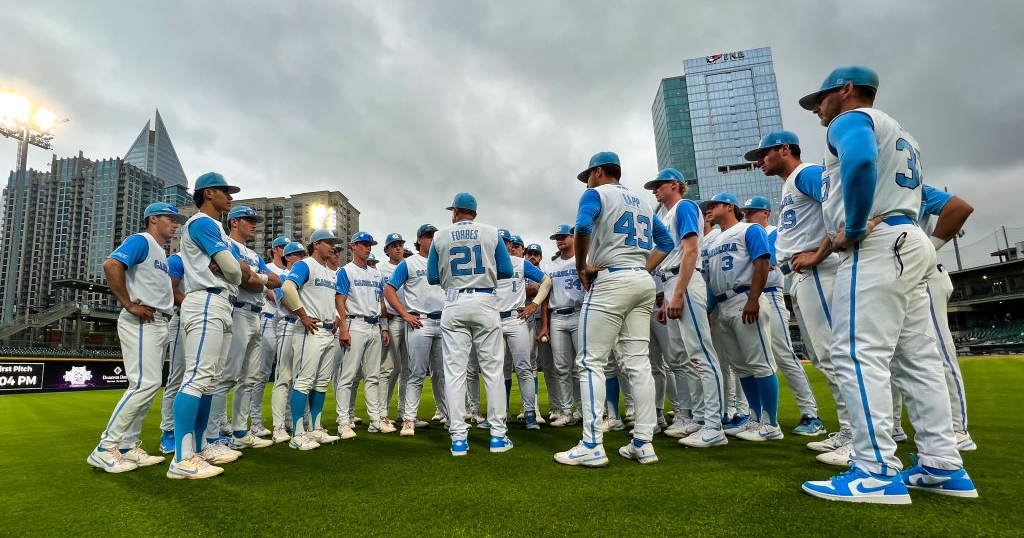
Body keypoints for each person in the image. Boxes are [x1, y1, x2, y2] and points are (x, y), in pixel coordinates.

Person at [798, 66, 976, 503]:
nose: (818, 109)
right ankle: (943, 464)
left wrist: (855, 225)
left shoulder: (850, 120)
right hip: (909, 237)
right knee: (917, 360)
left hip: (878, 242)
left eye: (821, 99)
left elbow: (858, 160)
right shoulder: (902, 132)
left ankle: (875, 471)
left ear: (845, 90)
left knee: (857, 353)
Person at [553, 151, 673, 467]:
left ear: (601, 171)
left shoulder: (596, 193)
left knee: (591, 361)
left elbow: (581, 227)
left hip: (611, 279)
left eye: (588, 174)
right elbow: (666, 242)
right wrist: (642, 268)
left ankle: (592, 444)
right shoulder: (644, 202)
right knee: (638, 363)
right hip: (640, 280)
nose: (586, 181)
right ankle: (644, 444)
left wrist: (581, 266)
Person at [745, 131, 853, 464]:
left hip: (820, 271)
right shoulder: (790, 182)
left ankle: (859, 437)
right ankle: (850, 431)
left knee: (833, 355)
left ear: (785, 149)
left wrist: (820, 253)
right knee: (823, 356)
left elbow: (842, 207)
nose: (760, 161)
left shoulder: (805, 173)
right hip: (803, 275)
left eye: (764, 154)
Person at [169, 172, 261, 479]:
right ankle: (182, 458)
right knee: (197, 377)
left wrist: (230, 268)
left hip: (222, 302)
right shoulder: (202, 222)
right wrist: (230, 269)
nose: (230, 196)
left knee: (209, 380)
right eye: (225, 191)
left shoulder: (218, 230)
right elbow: (236, 272)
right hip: (205, 299)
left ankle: (201, 446)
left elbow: (242, 270)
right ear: (208, 193)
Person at [88, 202, 186, 473]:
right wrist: (129, 304)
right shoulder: (141, 240)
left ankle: (128, 446)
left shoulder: (162, 253)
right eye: (170, 218)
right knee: (145, 383)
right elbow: (111, 264)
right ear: (152, 218)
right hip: (141, 319)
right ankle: (105, 448)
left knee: (149, 385)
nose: (175, 223)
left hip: (159, 321)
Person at [644, 168, 727, 448]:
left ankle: (714, 425)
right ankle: (700, 419)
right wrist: (666, 299)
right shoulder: (667, 215)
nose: (655, 189)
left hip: (685, 281)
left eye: (659, 185)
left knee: (701, 354)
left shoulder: (685, 207)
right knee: (685, 356)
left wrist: (678, 294)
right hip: (671, 283)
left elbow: (691, 250)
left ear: (674, 185)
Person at [427, 192, 515, 455]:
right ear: (474, 213)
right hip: (485, 300)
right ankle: (498, 437)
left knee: (455, 374)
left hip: (454, 302)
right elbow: (508, 271)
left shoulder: (440, 235)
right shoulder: (491, 232)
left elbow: (432, 277)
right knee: (492, 371)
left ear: (456, 212)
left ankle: (458, 439)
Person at [740, 195, 824, 437]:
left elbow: (777, 264)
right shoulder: (746, 235)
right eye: (745, 212)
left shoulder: (775, 233)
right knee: (754, 360)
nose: (747, 215)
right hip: (748, 299)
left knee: (784, 355)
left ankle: (811, 414)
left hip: (771, 296)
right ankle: (759, 416)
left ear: (766, 212)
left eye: (752, 211)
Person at [703, 193, 782, 443]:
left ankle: (771, 424)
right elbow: (712, 279)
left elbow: (762, 262)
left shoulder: (749, 229)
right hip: (723, 302)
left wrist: (753, 298)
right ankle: (755, 418)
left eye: (714, 205)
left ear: (729, 207)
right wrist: (708, 308)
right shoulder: (714, 240)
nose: (710, 209)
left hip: (744, 296)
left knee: (760, 363)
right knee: (740, 366)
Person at [210, 206, 280, 451]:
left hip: (256, 315)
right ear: (234, 222)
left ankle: (240, 431)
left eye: (255, 220)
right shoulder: (226, 244)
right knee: (227, 376)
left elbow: (276, 281)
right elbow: (242, 280)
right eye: (249, 220)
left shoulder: (252, 253)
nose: (254, 224)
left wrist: (254, 276)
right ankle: (216, 433)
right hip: (236, 310)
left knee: (249, 378)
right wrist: (255, 278)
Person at [280, 229, 345, 450]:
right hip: (311, 330)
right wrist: (303, 315)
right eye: (328, 243)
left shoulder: (329, 271)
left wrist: (336, 316)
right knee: (304, 381)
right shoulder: (305, 264)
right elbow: (287, 287)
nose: (333, 247)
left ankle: (315, 428)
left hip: (328, 330)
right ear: (316, 244)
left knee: (320, 383)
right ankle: (298, 434)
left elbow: (327, 298)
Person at [385, 224, 449, 436]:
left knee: (442, 374)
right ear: (419, 239)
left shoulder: (443, 262)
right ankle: (408, 420)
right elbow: (389, 289)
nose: (431, 239)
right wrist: (404, 314)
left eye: (434, 236)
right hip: (419, 321)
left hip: (443, 322)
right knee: (417, 373)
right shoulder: (408, 263)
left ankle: (448, 415)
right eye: (427, 236)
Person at [335, 232, 392, 437]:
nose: (368, 248)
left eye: (370, 244)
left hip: (374, 324)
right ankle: (343, 421)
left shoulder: (376, 274)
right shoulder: (345, 271)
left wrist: (384, 327)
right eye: (364, 244)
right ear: (354, 246)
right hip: (354, 323)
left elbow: (382, 302)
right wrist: (343, 328)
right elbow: (339, 300)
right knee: (348, 375)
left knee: (373, 376)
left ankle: (375, 420)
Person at [494, 230, 552, 430]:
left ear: (511, 245)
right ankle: (500, 415)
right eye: (500, 241)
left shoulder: (521, 263)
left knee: (524, 368)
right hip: (493, 320)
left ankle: (529, 413)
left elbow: (546, 281)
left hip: (516, 318)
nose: (503, 244)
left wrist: (534, 304)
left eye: (506, 242)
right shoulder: (485, 263)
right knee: (497, 370)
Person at [536, 224, 584, 427]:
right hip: (557, 317)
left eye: (563, 236)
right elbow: (545, 300)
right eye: (557, 237)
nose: (559, 240)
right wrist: (545, 326)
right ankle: (566, 411)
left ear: (573, 238)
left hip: (578, 313)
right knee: (562, 367)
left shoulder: (581, 260)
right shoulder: (551, 267)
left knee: (582, 365)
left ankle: (584, 410)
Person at [250, 236, 291, 438]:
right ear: (274, 250)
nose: (286, 250)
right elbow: (271, 294)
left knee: (288, 371)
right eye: (282, 247)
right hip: (268, 318)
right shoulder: (266, 267)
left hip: (288, 321)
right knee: (262, 373)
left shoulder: (292, 271)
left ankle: (288, 418)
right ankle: (256, 421)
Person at [270, 242, 308, 443]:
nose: (301, 256)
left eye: (303, 253)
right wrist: (304, 315)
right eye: (297, 254)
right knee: (283, 377)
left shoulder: (306, 275)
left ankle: (298, 422)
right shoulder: (282, 277)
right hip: (288, 324)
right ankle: (278, 427)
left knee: (302, 379)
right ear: (288, 257)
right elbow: (284, 299)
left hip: (305, 327)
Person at [378, 232, 411, 425]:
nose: (398, 247)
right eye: (394, 245)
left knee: (408, 370)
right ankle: (383, 413)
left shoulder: (409, 266)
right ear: (387, 249)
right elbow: (380, 297)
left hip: (409, 320)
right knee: (389, 368)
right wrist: (382, 324)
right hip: (391, 320)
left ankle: (404, 413)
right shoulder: (381, 269)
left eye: (400, 244)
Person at [158, 252, 187, 454]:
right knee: (177, 378)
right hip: (182, 319)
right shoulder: (177, 259)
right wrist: (198, 308)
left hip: (204, 320)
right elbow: (171, 290)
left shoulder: (208, 258)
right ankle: (168, 432)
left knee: (205, 378)